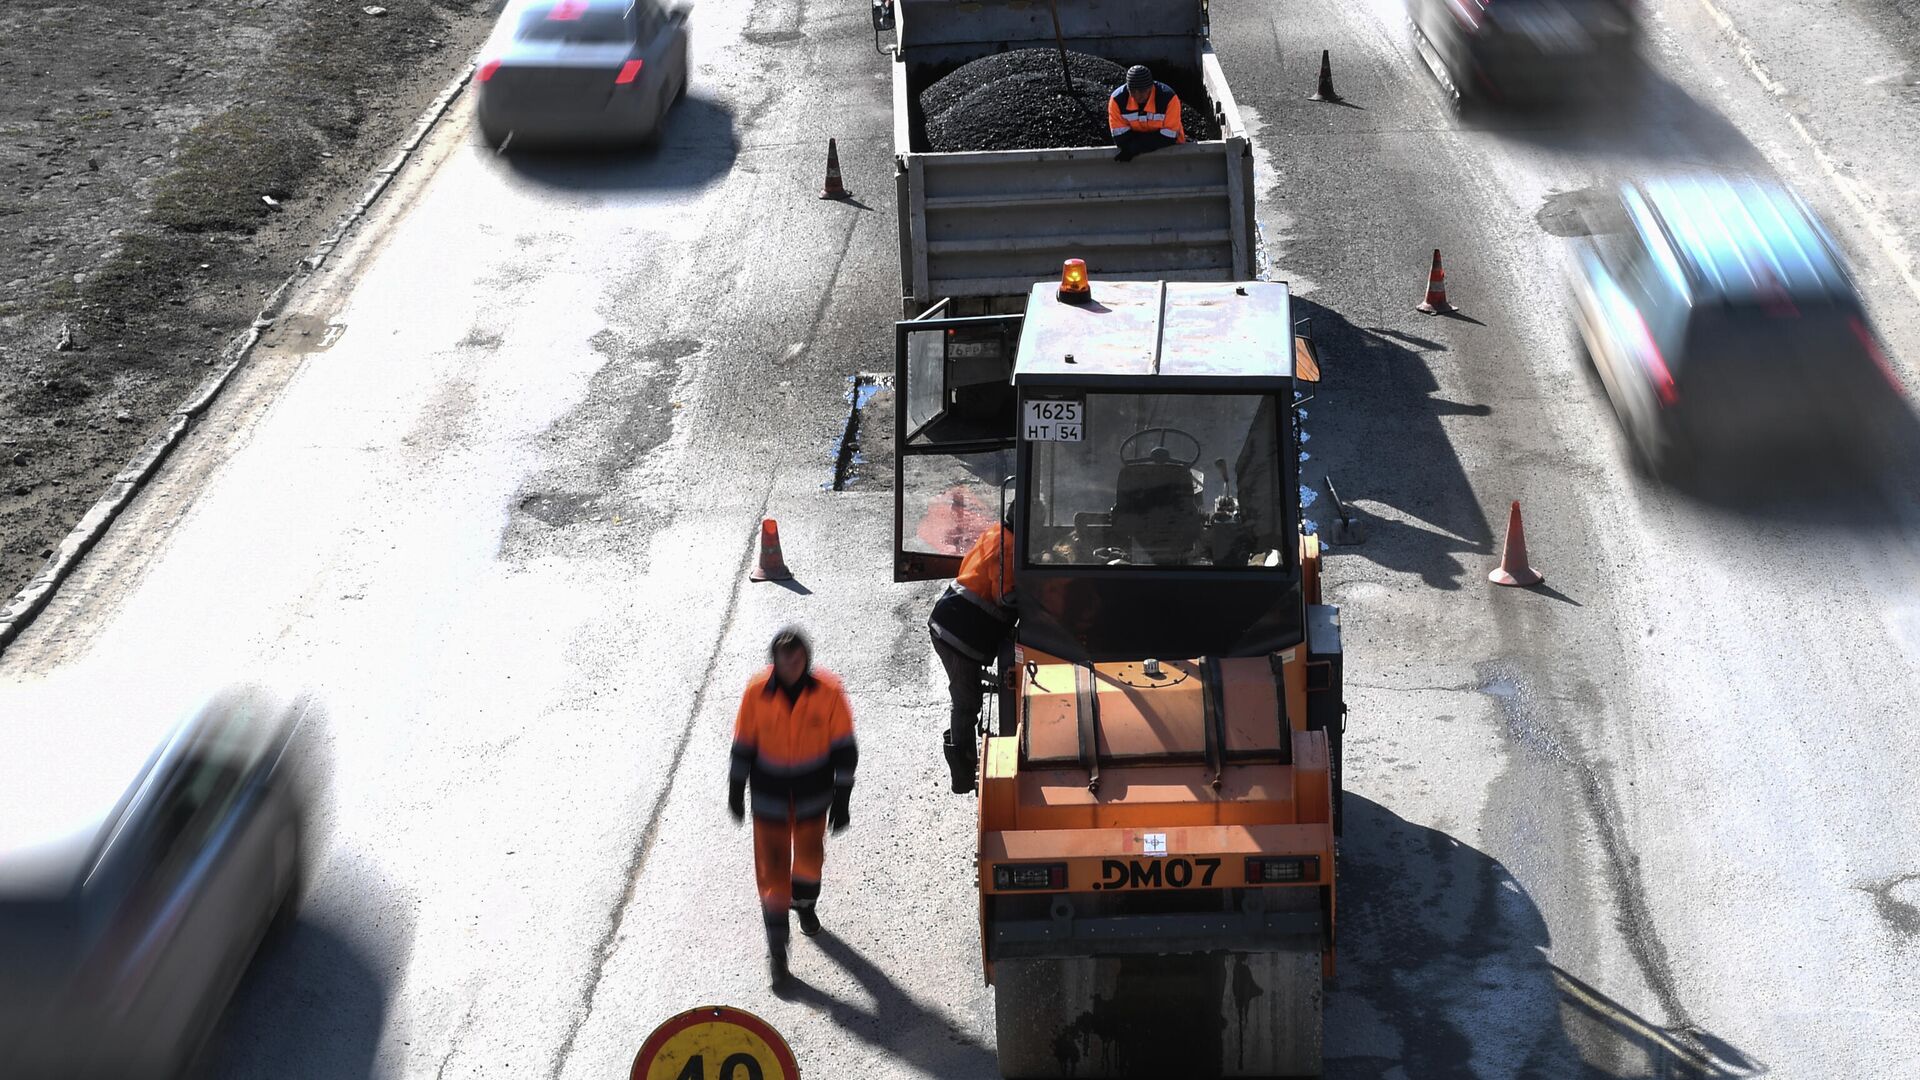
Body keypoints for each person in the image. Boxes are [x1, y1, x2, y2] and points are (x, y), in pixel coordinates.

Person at [729, 628, 857, 984]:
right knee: (772, 876)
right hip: (769, 800)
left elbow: (845, 748)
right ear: (775, 661)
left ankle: (805, 906)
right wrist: (736, 790)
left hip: (813, 798)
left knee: (809, 864)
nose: (792, 666)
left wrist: (843, 798)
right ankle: (778, 951)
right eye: (786, 660)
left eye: (798, 659)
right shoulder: (756, 691)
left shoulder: (828, 692)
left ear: (807, 659)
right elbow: (743, 744)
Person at [928, 515, 1016, 795]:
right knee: (966, 702)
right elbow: (1006, 595)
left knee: (966, 697)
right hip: (958, 634)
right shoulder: (1010, 547)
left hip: (949, 621)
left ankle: (964, 764)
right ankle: (964, 776)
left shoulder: (997, 533)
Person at [1108, 64, 1187, 162]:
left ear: (1151, 87)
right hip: (1137, 155)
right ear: (1128, 89)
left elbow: (1168, 137)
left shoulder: (1168, 99)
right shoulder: (1117, 100)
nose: (1137, 96)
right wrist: (1148, 141)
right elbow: (1121, 139)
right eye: (1133, 91)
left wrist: (1134, 147)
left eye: (1141, 91)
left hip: (1173, 153)